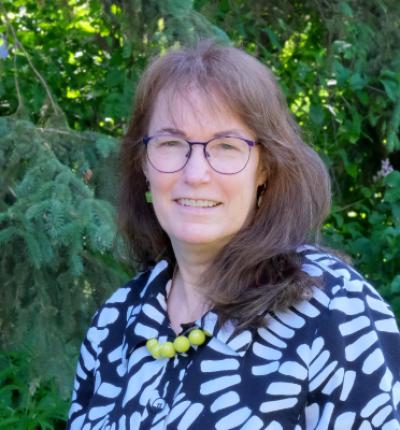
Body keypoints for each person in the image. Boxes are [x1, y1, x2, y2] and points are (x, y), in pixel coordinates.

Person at [67, 40, 400, 430]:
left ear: (264, 168)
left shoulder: (333, 310)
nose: (195, 174)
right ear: (144, 163)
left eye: (225, 146)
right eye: (171, 143)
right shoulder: (116, 322)